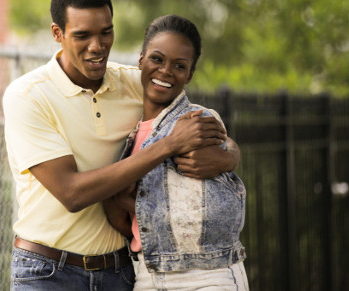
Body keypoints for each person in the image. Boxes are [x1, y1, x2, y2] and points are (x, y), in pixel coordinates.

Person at [3, 0, 239, 291]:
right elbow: (72, 193)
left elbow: (197, 125)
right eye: (82, 35)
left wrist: (230, 154)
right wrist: (168, 146)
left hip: (120, 272)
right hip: (48, 273)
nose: (97, 46)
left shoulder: (134, 83)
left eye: (106, 32)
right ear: (57, 34)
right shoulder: (28, 96)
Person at [103, 15, 248, 290]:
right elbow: (134, 220)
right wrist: (125, 202)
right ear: (141, 59)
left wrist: (229, 154)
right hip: (148, 275)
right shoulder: (129, 133)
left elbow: (212, 213)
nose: (166, 71)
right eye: (157, 59)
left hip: (206, 274)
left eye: (179, 66)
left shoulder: (197, 123)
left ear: (190, 74)